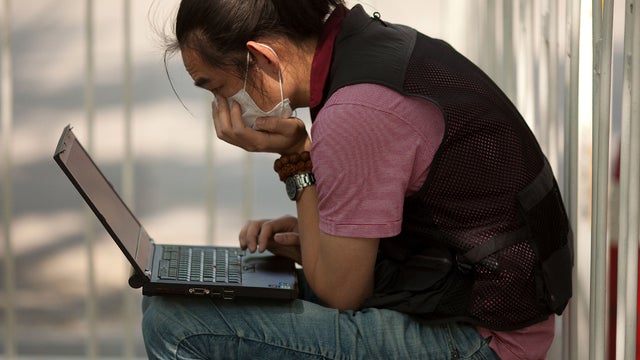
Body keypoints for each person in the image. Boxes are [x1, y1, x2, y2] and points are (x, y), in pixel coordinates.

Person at [141, 1, 574, 359]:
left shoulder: (354, 113)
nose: (222, 107)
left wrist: (295, 158)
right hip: (458, 292)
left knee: (177, 323)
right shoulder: (366, 49)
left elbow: (339, 293)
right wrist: (315, 230)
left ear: (263, 57)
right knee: (196, 290)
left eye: (216, 88)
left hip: (486, 339)